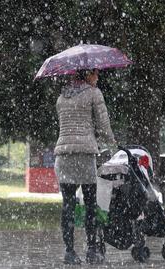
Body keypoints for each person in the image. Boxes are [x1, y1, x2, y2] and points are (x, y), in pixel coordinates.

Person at [54, 69, 116, 265]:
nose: (98, 78)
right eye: (96, 74)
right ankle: (91, 249)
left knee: (68, 205)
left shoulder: (61, 98)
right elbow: (103, 124)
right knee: (90, 204)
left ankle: (69, 251)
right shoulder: (93, 93)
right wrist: (112, 142)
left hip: (63, 155)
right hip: (84, 155)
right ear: (88, 75)